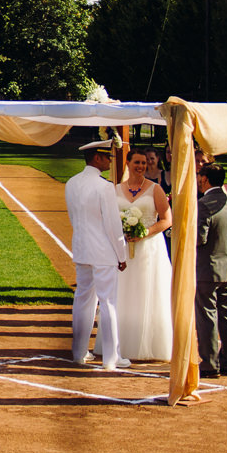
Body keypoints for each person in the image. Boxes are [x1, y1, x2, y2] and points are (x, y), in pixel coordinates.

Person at [65, 140, 129, 369]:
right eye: (107, 157)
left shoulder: (71, 183)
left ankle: (79, 352)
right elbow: (113, 226)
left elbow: (74, 218)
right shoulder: (104, 187)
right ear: (97, 158)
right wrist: (122, 255)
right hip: (103, 252)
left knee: (82, 301)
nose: (110, 161)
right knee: (108, 302)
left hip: (82, 249)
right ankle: (112, 358)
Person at [111, 147, 173, 361]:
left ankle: (151, 344)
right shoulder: (116, 189)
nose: (140, 166)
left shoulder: (155, 189)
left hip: (149, 249)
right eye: (136, 162)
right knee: (125, 292)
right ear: (128, 164)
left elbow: (166, 219)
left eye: (144, 163)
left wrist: (145, 232)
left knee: (148, 290)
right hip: (124, 249)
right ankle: (121, 343)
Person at [195, 162, 227, 379]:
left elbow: (199, 238)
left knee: (207, 316)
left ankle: (209, 363)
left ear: (204, 179)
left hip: (207, 268)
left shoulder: (204, 204)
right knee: (226, 314)